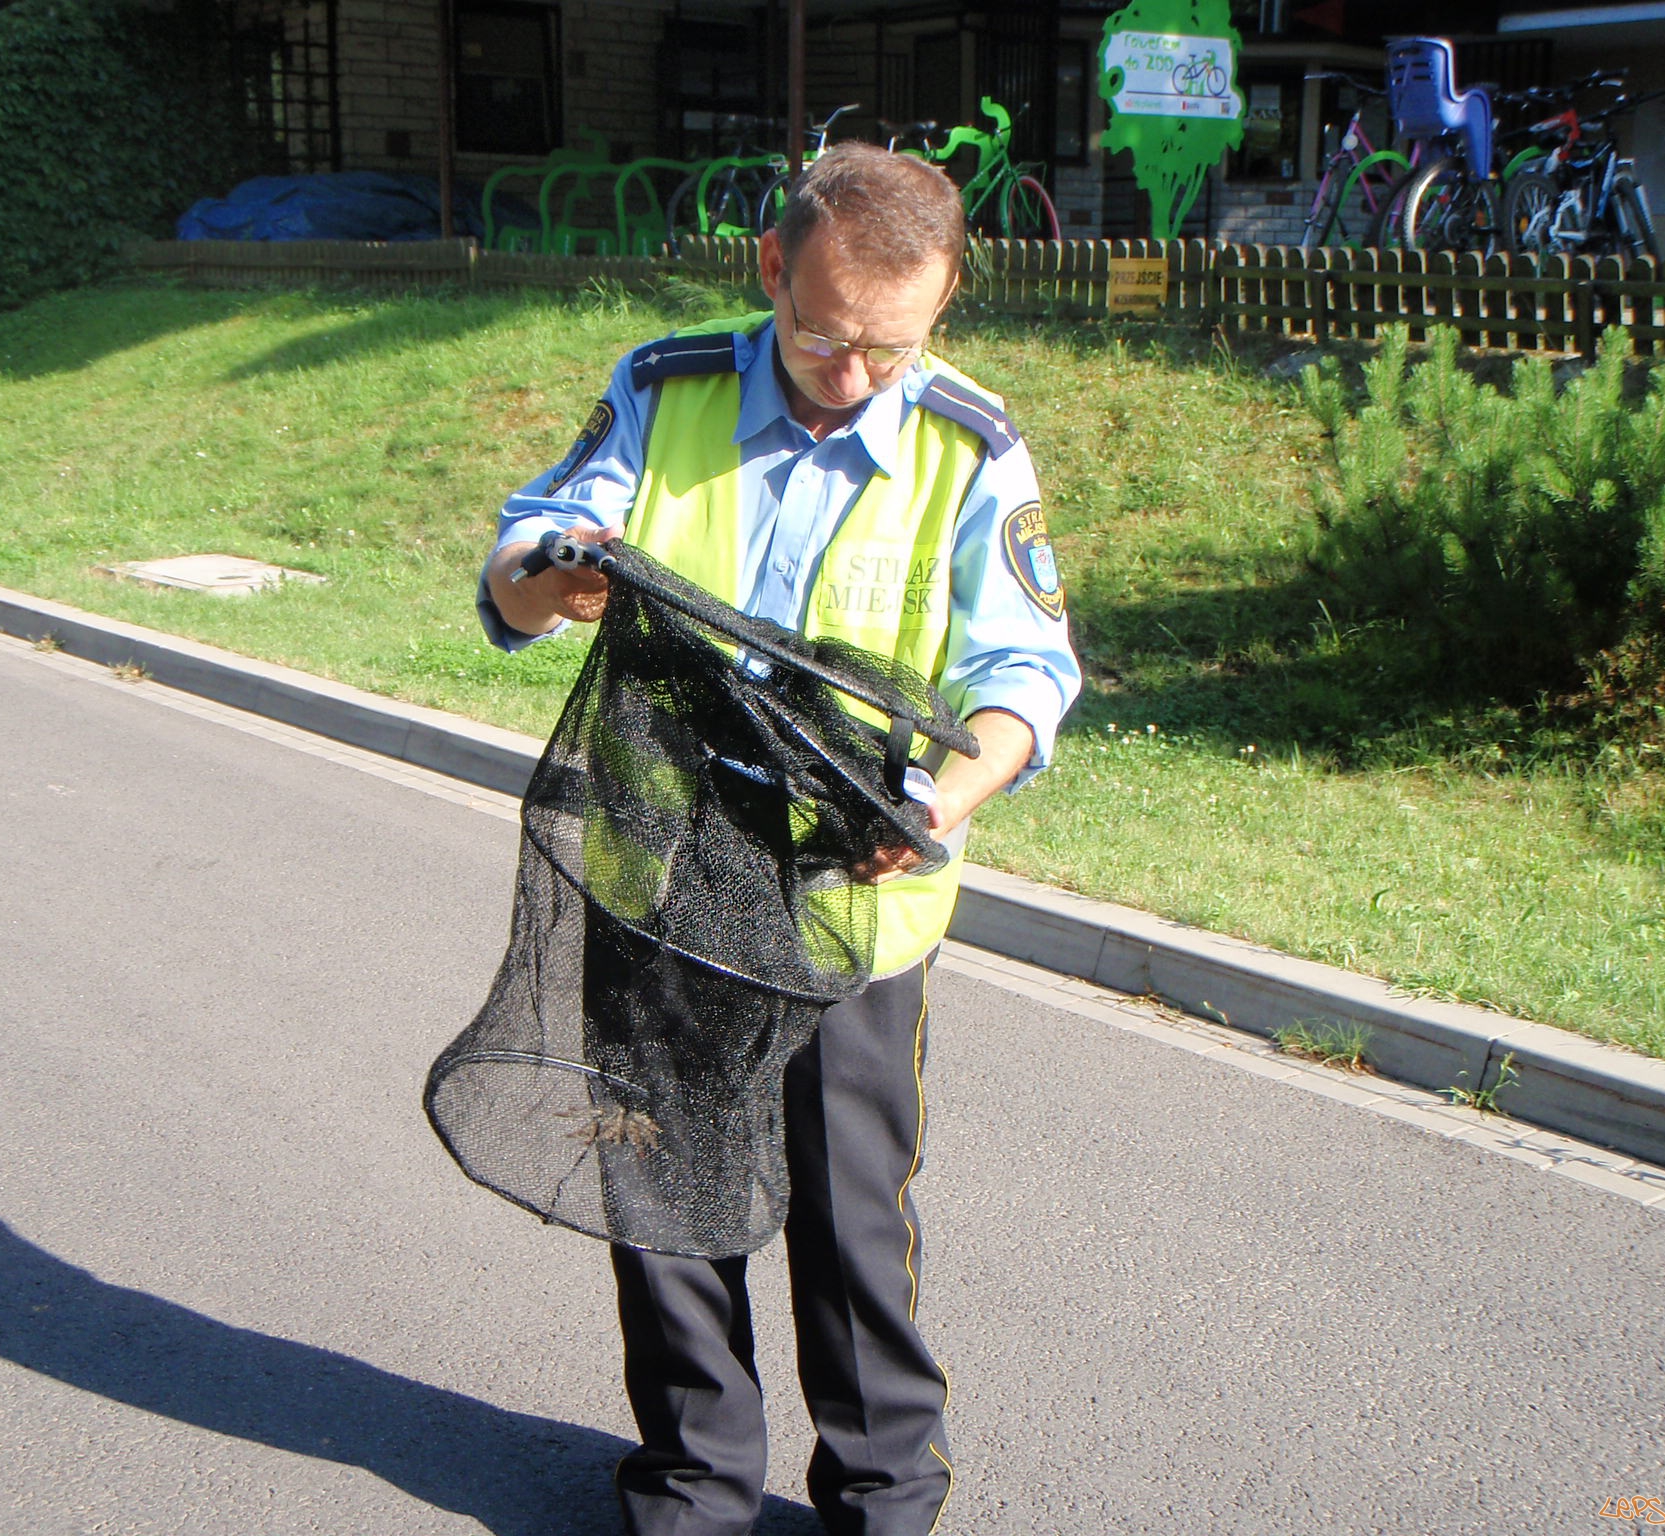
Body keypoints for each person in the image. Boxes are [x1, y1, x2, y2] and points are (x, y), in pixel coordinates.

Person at [478, 142, 1081, 1536]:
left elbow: (1026, 672)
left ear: (942, 302)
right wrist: (550, 574)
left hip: (848, 905)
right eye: (822, 336)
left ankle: (883, 1497)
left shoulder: (970, 446)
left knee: (852, 1219)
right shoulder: (666, 388)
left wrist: (945, 799)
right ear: (771, 267)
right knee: (666, 1196)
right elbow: (525, 559)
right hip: (660, 877)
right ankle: (695, 1484)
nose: (854, 373)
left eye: (892, 346)